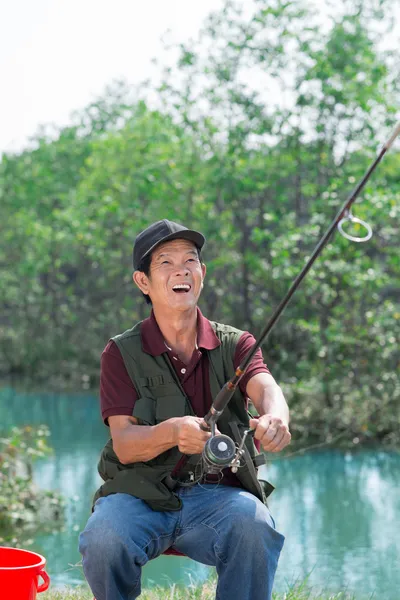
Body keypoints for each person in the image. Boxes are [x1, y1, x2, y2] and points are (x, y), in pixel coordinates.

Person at [79, 219, 291, 600]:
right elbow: (125, 445)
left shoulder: (237, 343)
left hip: (219, 497)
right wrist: (173, 432)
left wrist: (277, 417)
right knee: (103, 537)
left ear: (202, 273)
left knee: (255, 525)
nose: (181, 270)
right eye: (165, 262)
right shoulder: (120, 353)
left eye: (190, 260)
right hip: (139, 495)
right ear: (143, 282)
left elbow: (266, 387)